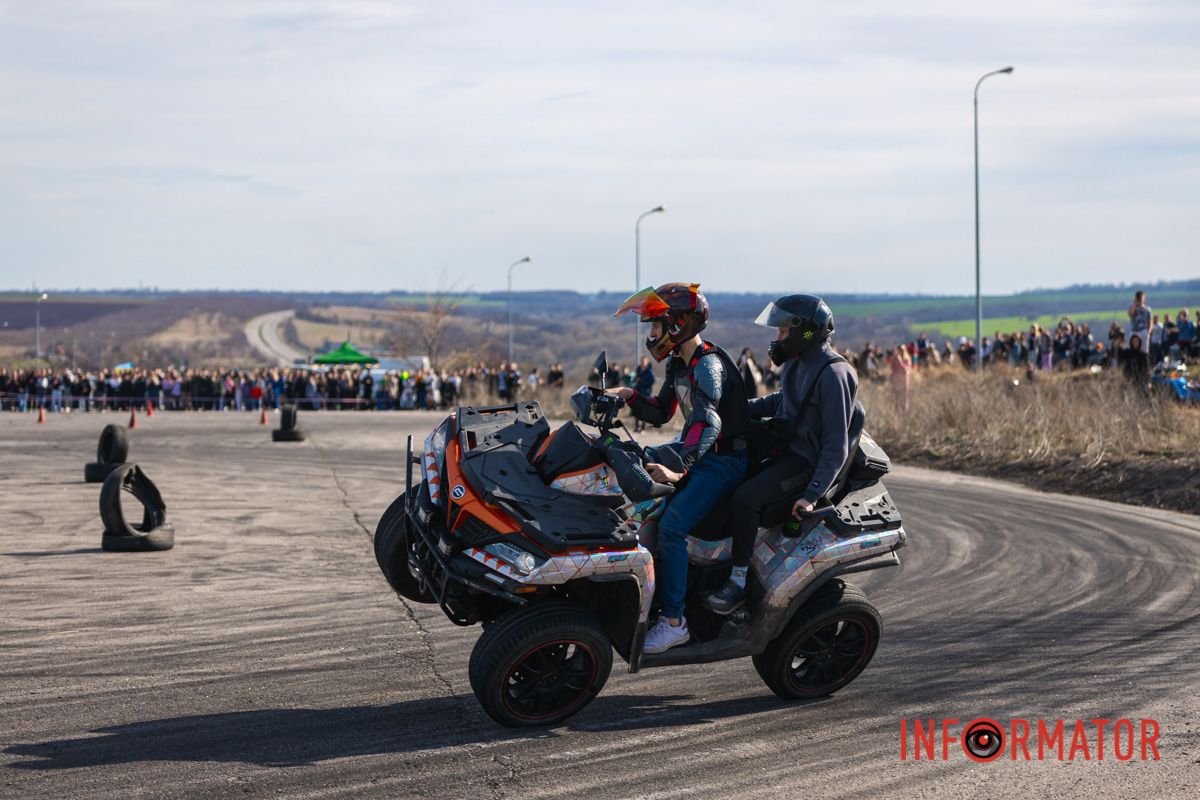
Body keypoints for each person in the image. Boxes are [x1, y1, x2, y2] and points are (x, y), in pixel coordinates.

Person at [609, 282, 749, 653]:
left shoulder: (708, 366)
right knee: (637, 476)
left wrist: (680, 471)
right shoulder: (679, 363)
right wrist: (628, 396)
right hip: (697, 450)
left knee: (671, 527)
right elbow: (660, 412)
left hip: (723, 460)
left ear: (679, 324)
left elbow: (708, 422)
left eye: (656, 325)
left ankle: (674, 622)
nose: (652, 334)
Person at [700, 294, 858, 615]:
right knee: (723, 473)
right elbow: (780, 402)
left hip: (805, 462)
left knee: (746, 498)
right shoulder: (796, 363)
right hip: (783, 448)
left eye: (783, 331)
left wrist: (812, 495)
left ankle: (738, 583)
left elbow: (836, 445)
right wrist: (732, 410)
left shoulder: (834, 374)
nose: (778, 337)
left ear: (805, 332)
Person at [1128, 290, 1151, 355]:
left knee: (1144, 350)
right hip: (1134, 331)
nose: (1140, 299)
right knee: (1132, 349)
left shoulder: (1147, 309)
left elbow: (1149, 321)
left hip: (1143, 331)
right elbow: (1130, 314)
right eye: (1139, 298)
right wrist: (1134, 304)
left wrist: (1148, 332)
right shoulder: (1133, 307)